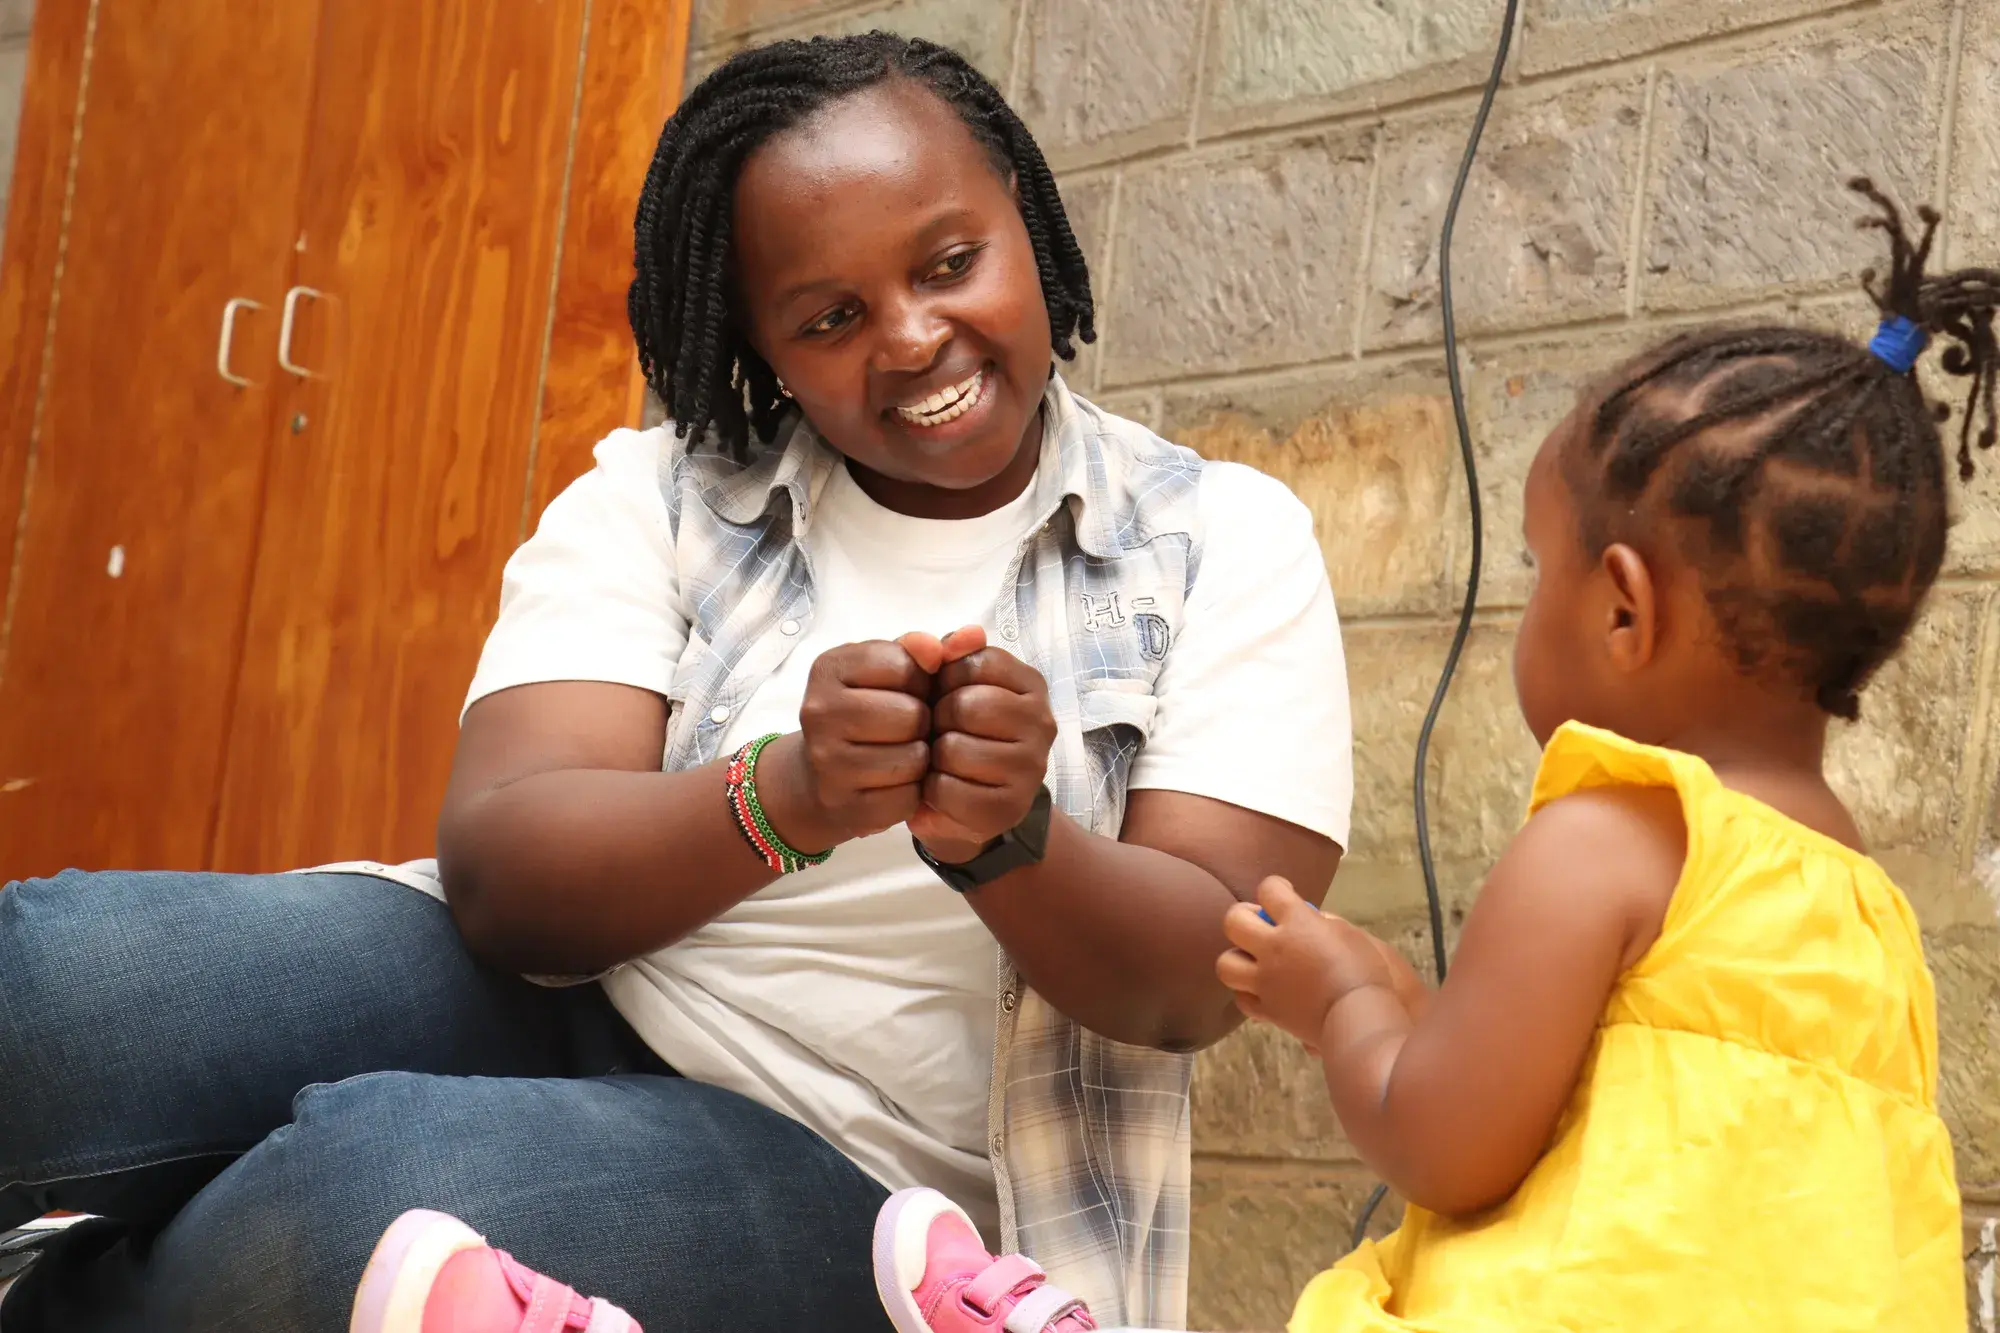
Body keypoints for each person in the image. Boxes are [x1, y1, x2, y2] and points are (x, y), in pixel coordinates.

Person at [0, 31, 1352, 1333]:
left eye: (951, 263)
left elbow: (1203, 974)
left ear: (1025, 215)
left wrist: (1010, 841)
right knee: (60, 984)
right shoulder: (662, 495)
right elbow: (506, 876)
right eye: (830, 316)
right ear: (763, 345)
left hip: (861, 1180)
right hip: (576, 992)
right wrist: (787, 795)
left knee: (370, 1190)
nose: (909, 336)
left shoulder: (1216, 537)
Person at [826, 178, 1982, 1333]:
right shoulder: (1860, 906)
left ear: (1623, 611)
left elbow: (1443, 1145)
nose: (1526, 601)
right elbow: (1603, 1126)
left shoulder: (1603, 841)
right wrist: (1401, 1001)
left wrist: (1337, 1005)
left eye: (1538, 569)